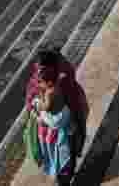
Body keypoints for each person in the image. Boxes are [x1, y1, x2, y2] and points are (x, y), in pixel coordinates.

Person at [24, 48, 89, 184]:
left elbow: (33, 104)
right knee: (66, 155)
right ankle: (65, 175)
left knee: (59, 155)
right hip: (63, 130)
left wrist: (36, 111)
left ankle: (63, 176)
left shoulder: (41, 83)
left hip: (51, 131)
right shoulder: (64, 78)